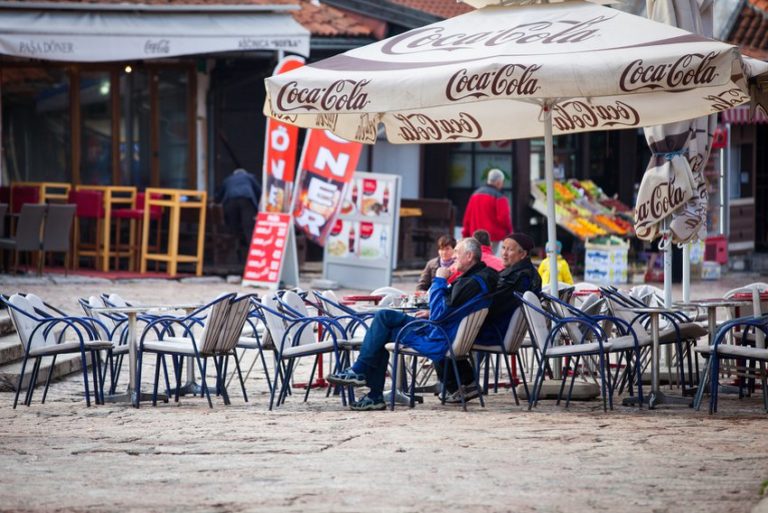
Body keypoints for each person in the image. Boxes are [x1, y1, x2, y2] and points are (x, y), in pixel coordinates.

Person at [326, 238, 497, 411]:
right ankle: (368, 385)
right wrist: (431, 312)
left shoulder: (470, 283)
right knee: (384, 317)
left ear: (469, 256)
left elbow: (439, 314)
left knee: (383, 325)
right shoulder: (480, 278)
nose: (453, 257)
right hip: (439, 329)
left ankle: (368, 385)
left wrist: (439, 280)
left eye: (457, 252)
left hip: (438, 337)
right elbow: (451, 310)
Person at [441, 232, 541, 401]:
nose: (504, 253)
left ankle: (462, 384)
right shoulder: (522, 273)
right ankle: (463, 381)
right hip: (501, 328)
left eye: (510, 249)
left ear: (522, 254)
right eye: (503, 248)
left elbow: (492, 304)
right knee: (449, 327)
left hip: (496, 332)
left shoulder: (520, 277)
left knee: (443, 332)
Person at [214, 168, 262, 263]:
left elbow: (219, 196)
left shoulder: (228, 179)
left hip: (230, 201)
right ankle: (253, 256)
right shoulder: (249, 177)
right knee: (248, 228)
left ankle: (234, 252)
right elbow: (259, 191)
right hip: (246, 200)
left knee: (232, 227)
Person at [461, 168, 513, 252]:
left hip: (475, 236)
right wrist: (509, 233)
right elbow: (504, 218)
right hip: (492, 237)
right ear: (498, 182)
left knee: (476, 259)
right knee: (489, 259)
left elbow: (467, 218)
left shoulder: (475, 195)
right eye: (502, 182)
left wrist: (465, 235)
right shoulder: (500, 197)